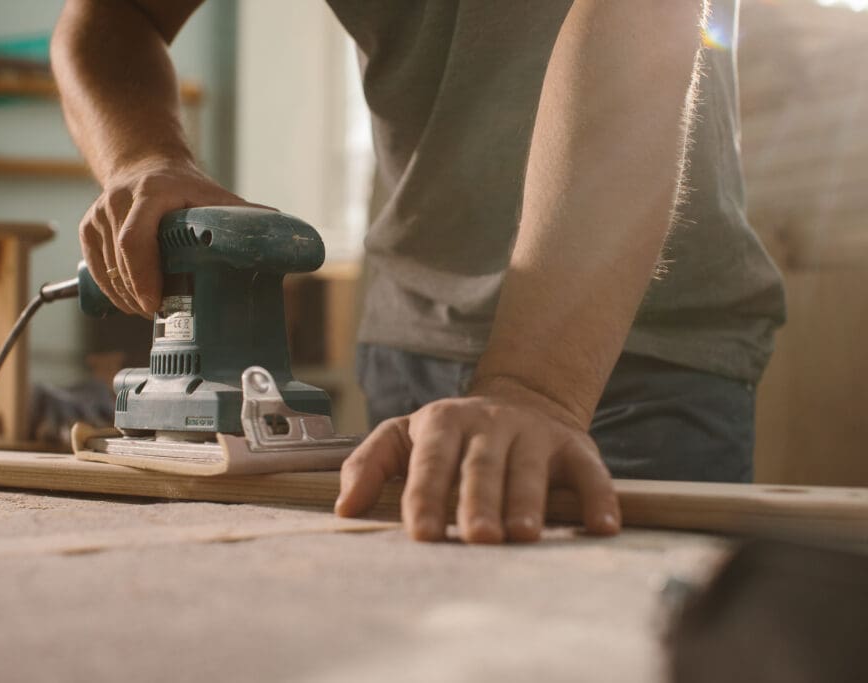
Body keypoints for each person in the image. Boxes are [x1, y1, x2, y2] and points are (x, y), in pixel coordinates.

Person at [52, 0, 786, 544]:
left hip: (632, 348)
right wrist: (146, 157)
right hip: (413, 342)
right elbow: (110, 20)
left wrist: (537, 389)